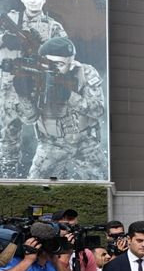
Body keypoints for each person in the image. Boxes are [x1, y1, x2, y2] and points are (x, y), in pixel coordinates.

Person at [0, 0, 67, 178]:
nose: (33, 1)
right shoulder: (11, 19)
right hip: (10, 86)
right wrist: (5, 39)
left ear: (44, 0)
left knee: (50, 134)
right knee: (9, 132)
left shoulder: (53, 26)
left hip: (40, 85)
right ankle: (8, 176)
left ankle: (48, 175)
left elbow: (65, 52)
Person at [27, 37, 107, 181]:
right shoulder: (35, 76)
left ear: (71, 63)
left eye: (58, 64)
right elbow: (29, 118)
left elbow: (98, 110)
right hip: (51, 143)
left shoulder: (85, 72)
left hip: (85, 141)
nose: (52, 68)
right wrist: (22, 95)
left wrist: (70, 96)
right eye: (48, 63)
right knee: (35, 187)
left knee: (100, 185)